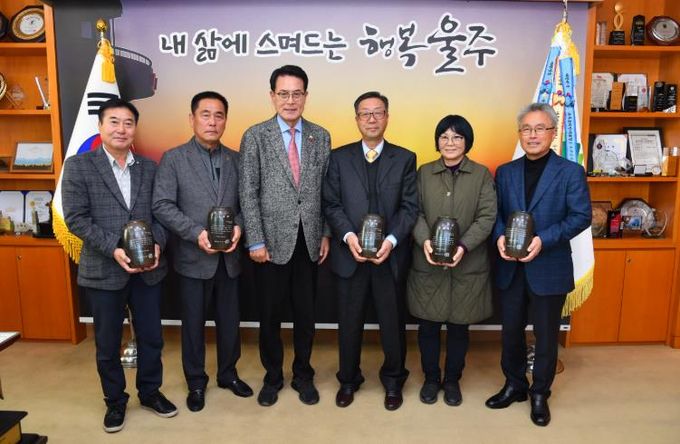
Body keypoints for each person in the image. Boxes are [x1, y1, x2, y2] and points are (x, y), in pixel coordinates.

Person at [62, 98, 177, 433]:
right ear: (100, 126)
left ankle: (150, 392)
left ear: (135, 128)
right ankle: (115, 401)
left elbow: (162, 213)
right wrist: (115, 248)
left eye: (128, 123)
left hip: (148, 269)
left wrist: (157, 243)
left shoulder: (151, 168)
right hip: (104, 269)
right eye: (114, 122)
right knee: (107, 343)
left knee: (152, 337)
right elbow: (76, 218)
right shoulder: (79, 166)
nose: (121, 129)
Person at [485, 103, 591, 426]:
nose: (533, 135)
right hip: (510, 267)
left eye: (540, 128)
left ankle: (540, 393)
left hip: (549, 265)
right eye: (527, 129)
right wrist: (499, 237)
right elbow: (495, 214)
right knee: (510, 331)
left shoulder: (570, 172)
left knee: (546, 336)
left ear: (553, 133)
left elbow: (581, 216)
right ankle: (514, 384)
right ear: (520, 134)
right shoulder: (505, 172)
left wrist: (543, 239)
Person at [152, 91, 252, 413]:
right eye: (205, 114)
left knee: (230, 321)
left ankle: (228, 374)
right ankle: (196, 382)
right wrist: (196, 233)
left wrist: (239, 227)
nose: (212, 121)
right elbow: (162, 205)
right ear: (192, 119)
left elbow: (248, 204)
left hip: (230, 258)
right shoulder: (174, 158)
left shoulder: (237, 159)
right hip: (193, 257)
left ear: (225, 120)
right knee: (193, 324)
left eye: (219, 115)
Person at [239, 65, 331, 407]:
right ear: (272, 96)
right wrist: (255, 239)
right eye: (283, 94)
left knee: (306, 316)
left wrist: (325, 233)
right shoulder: (255, 136)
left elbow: (327, 191)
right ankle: (273, 376)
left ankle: (303, 374)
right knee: (270, 316)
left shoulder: (320, 136)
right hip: (270, 242)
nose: (290, 101)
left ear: (306, 96)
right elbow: (248, 192)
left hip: (309, 241)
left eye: (297, 94)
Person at [322, 91, 418, 411]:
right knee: (349, 323)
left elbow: (409, 208)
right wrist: (349, 237)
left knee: (392, 325)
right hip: (350, 256)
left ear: (387, 117)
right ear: (357, 119)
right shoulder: (338, 158)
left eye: (378, 112)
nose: (372, 119)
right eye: (365, 113)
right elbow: (331, 204)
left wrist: (391, 241)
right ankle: (348, 380)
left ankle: (393, 381)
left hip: (389, 258)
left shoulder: (405, 158)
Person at [406, 115, 496, 406]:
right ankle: (431, 379)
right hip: (428, 263)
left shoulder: (481, 175)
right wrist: (425, 241)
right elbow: (414, 212)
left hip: (467, 264)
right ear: (437, 142)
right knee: (428, 327)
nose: (450, 142)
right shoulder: (424, 173)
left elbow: (487, 216)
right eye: (444, 137)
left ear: (467, 142)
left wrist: (464, 246)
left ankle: (452, 380)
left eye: (457, 137)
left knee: (459, 328)